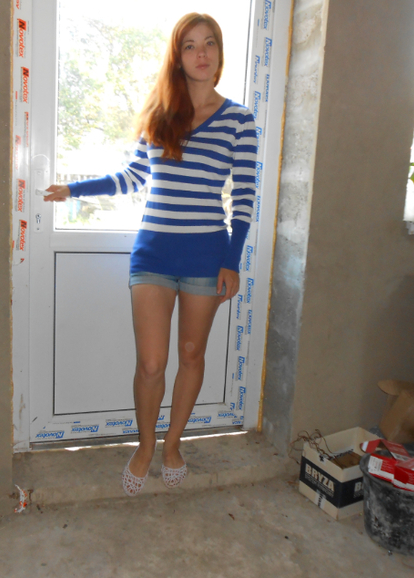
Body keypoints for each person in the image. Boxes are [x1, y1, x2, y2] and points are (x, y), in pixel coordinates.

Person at [44, 12, 257, 496]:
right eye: (190, 45)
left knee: (192, 354)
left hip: (207, 255)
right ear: (177, 57)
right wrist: (74, 190)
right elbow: (131, 178)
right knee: (152, 364)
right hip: (154, 255)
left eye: (209, 43)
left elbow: (244, 196)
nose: (201, 53)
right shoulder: (161, 114)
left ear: (220, 53)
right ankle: (144, 446)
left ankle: (173, 445)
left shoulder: (239, 120)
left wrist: (232, 260)